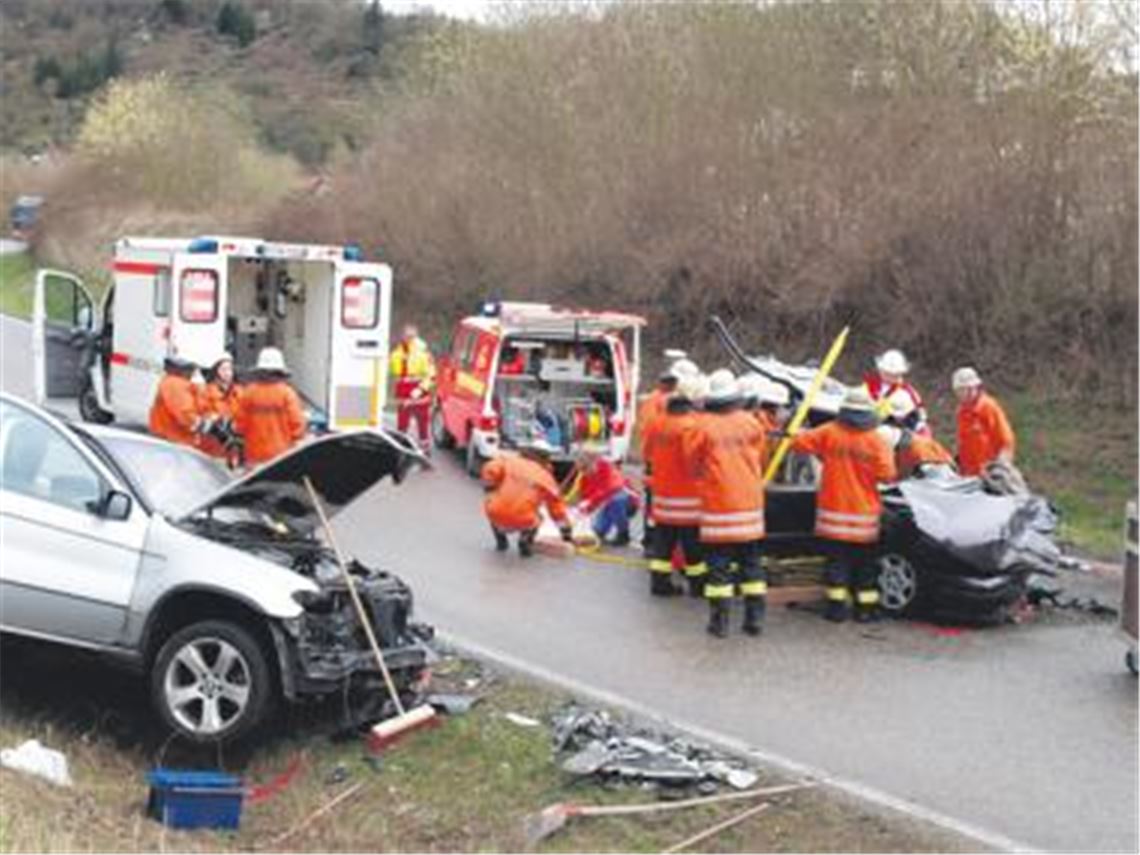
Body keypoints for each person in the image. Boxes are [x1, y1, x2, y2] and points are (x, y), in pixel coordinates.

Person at [791, 388, 897, 623]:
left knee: (837, 563)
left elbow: (798, 443)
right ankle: (865, 610)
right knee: (866, 566)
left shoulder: (829, 432)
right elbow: (888, 475)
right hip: (864, 516)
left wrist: (821, 453)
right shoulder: (876, 440)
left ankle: (836, 609)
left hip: (833, 513)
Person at [683, 369, 769, 638]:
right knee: (752, 564)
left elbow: (692, 463)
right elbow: (761, 457)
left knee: (718, 567)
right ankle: (755, 619)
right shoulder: (752, 422)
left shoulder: (701, 426)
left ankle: (719, 623)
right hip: (750, 505)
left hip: (719, 505)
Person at [642, 372, 707, 597]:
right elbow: (695, 460)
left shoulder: (657, 424)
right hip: (689, 498)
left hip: (662, 497)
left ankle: (659, 584)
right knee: (693, 547)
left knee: (663, 545)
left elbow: (647, 454)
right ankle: (698, 586)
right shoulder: (691, 427)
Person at [637, 355, 699, 550]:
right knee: (658, 503)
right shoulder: (660, 401)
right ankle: (652, 539)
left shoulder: (659, 400)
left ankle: (656, 540)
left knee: (661, 502)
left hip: (659, 458)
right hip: (661, 459)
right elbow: (650, 431)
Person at [481, 440, 573, 558]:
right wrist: (566, 534)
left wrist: (490, 487)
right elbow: (557, 511)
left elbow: (490, 468)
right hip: (523, 518)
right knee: (539, 517)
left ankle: (501, 541)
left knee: (494, 504)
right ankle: (525, 540)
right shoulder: (546, 477)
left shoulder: (509, 461)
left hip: (496, 513)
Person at [233, 347, 306, 466]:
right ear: (280, 371)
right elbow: (298, 427)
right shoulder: (287, 393)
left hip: (254, 456)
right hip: (281, 457)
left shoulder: (248, 393)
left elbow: (239, 426)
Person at [952, 367, 1016, 477]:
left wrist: (1000, 468)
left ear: (976, 387)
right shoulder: (961, 412)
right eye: (960, 390)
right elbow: (963, 443)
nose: (964, 394)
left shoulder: (988, 407)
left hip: (989, 474)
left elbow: (1006, 442)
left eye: (967, 389)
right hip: (969, 475)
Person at [575, 446, 638, 546]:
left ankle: (623, 533)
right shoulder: (584, 478)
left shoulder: (608, 468)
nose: (584, 472)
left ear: (593, 462)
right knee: (598, 531)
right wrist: (583, 511)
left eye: (585, 468)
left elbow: (613, 488)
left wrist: (591, 501)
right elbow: (585, 498)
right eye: (581, 469)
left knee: (616, 500)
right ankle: (601, 530)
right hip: (607, 504)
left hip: (628, 502)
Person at [390, 324, 436, 451]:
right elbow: (393, 371)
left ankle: (424, 448)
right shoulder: (397, 352)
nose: (408, 338)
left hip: (418, 389)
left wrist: (421, 389)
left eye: (411, 336)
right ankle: (400, 447)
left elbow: (431, 375)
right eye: (406, 335)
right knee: (402, 422)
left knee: (422, 421)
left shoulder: (423, 353)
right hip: (403, 389)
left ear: (416, 336)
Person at [864, 349, 928, 434]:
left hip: (896, 433)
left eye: (893, 374)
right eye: (886, 372)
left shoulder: (908, 392)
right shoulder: (869, 385)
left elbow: (920, 417)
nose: (889, 376)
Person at [149, 356, 206, 448]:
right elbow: (185, 413)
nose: (193, 373)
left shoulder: (171, 382)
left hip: (169, 438)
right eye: (192, 370)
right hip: (174, 441)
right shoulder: (176, 384)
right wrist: (201, 423)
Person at [198, 352, 242, 462]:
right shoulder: (205, 392)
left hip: (234, 452)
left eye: (230, 369)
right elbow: (203, 416)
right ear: (215, 371)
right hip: (211, 451)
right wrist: (221, 421)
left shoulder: (240, 392)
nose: (228, 373)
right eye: (223, 369)